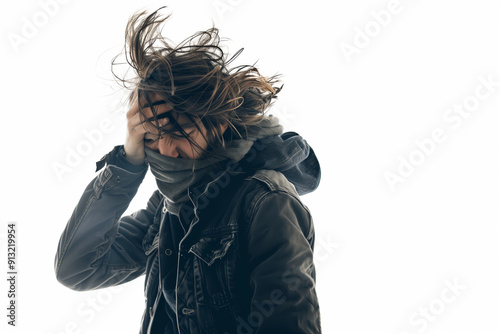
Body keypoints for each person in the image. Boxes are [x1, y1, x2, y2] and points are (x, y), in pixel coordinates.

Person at [54, 6, 322, 334]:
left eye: (179, 132)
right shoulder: (165, 209)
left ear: (218, 125)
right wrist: (127, 163)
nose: (166, 151)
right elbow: (77, 268)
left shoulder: (265, 201)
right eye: (151, 136)